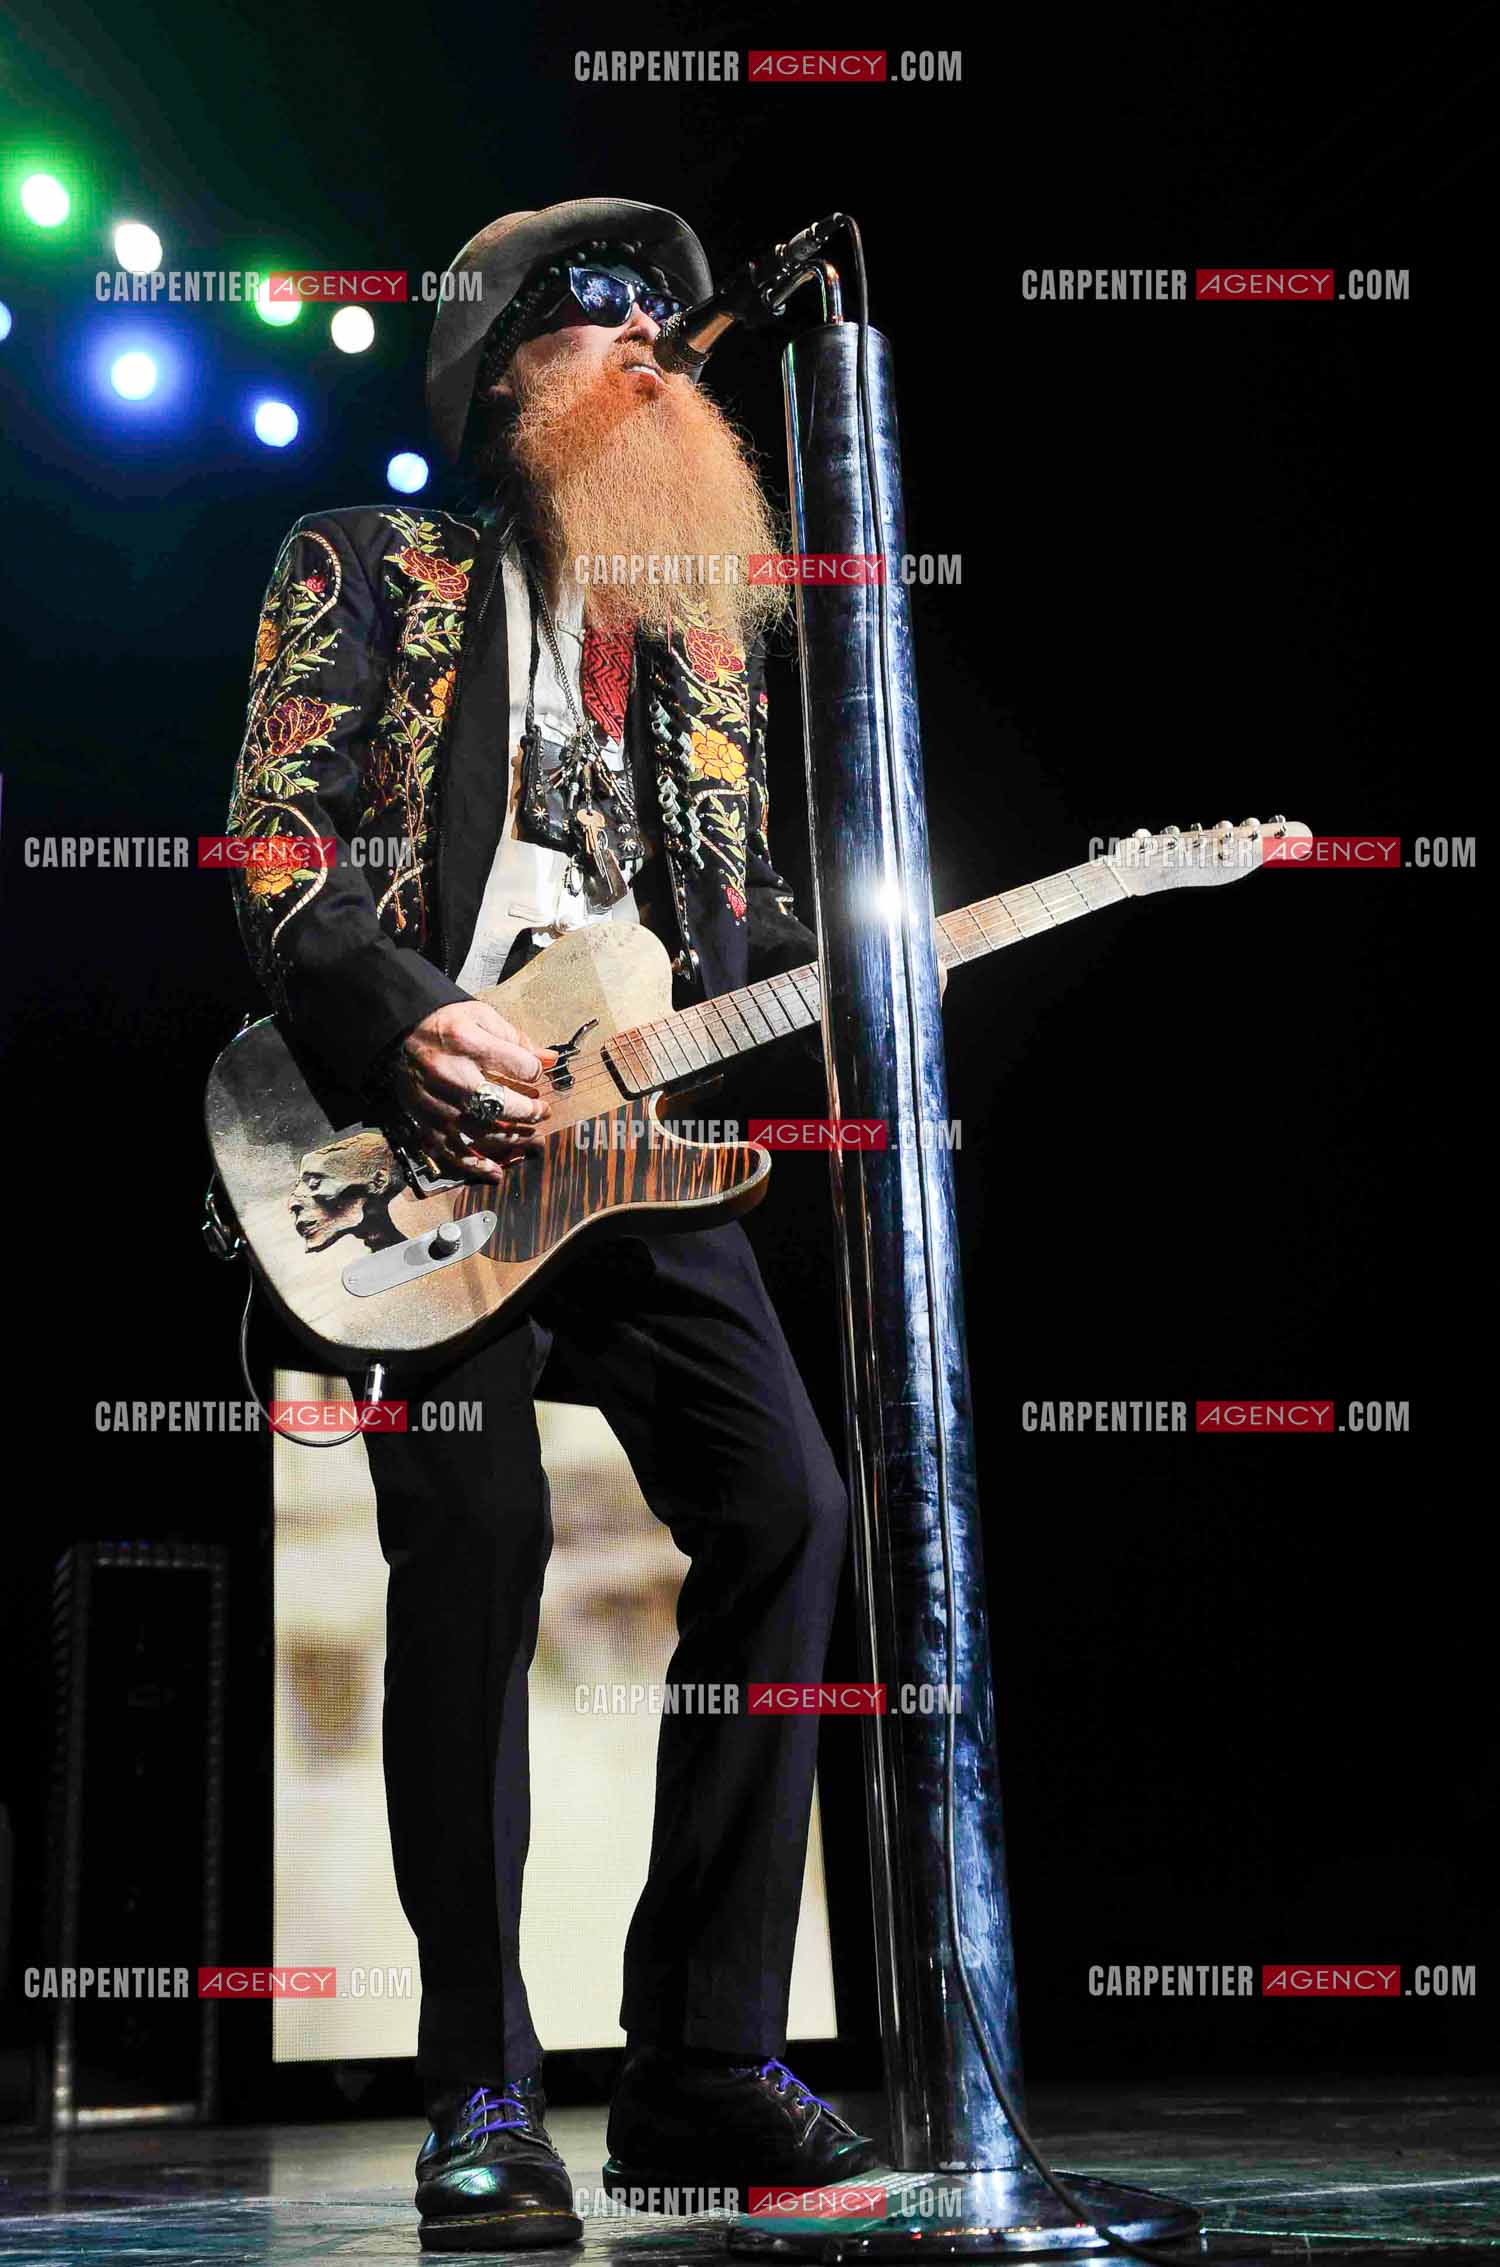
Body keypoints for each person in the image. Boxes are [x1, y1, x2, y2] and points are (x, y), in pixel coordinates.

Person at [227, 197, 883, 2251]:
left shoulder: (700, 652)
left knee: (795, 1511)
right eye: (611, 324)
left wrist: (855, 971)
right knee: (474, 1554)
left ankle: (697, 2058)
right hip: (417, 1164)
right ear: (501, 363)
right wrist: (404, 1018)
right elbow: (274, 840)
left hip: (628, 1153)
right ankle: (478, 2088)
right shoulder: (371, 563)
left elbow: (741, 928)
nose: (659, 360)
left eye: (670, 336)